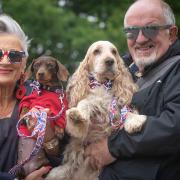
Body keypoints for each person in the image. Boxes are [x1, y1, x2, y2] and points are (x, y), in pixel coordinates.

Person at [85, 0, 180, 179]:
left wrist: (113, 146)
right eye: (131, 31)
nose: (141, 39)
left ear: (172, 34)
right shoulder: (116, 69)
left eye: (151, 29)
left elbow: (175, 126)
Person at [0, 14, 54, 180]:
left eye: (14, 55)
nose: (6, 61)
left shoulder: (41, 97)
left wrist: (50, 137)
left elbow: (63, 157)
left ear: (24, 63)